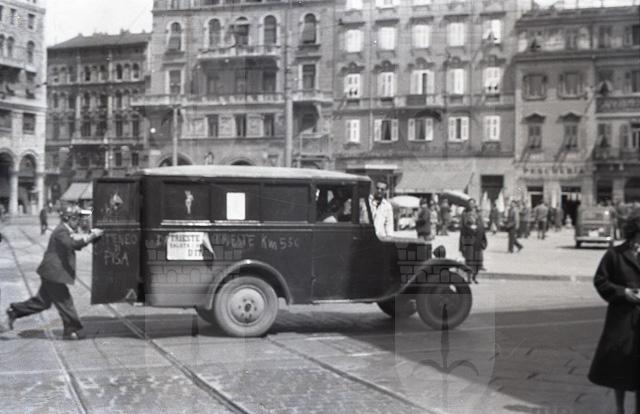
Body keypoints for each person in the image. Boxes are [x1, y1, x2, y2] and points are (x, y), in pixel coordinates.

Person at [5, 206, 103, 340]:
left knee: (42, 303)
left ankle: (14, 311)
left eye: (79, 219)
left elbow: (75, 244)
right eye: (76, 219)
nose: (79, 222)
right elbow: (72, 245)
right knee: (65, 301)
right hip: (53, 274)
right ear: (68, 219)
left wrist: (90, 238)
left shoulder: (65, 230)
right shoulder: (61, 231)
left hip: (50, 273)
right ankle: (74, 329)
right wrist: (92, 236)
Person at [588, 207, 640, 414]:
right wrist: (623, 292)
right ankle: (620, 409)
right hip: (622, 320)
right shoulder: (614, 254)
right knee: (619, 368)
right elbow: (601, 280)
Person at [459, 198, 487, 283]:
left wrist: (478, 230)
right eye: (469, 203)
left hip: (477, 240)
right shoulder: (464, 214)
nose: (471, 205)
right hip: (468, 239)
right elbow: (462, 227)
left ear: (475, 204)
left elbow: (482, 226)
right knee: (469, 259)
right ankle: (469, 278)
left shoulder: (478, 214)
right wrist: (469, 228)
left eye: (472, 203)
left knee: (477, 260)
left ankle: (474, 276)